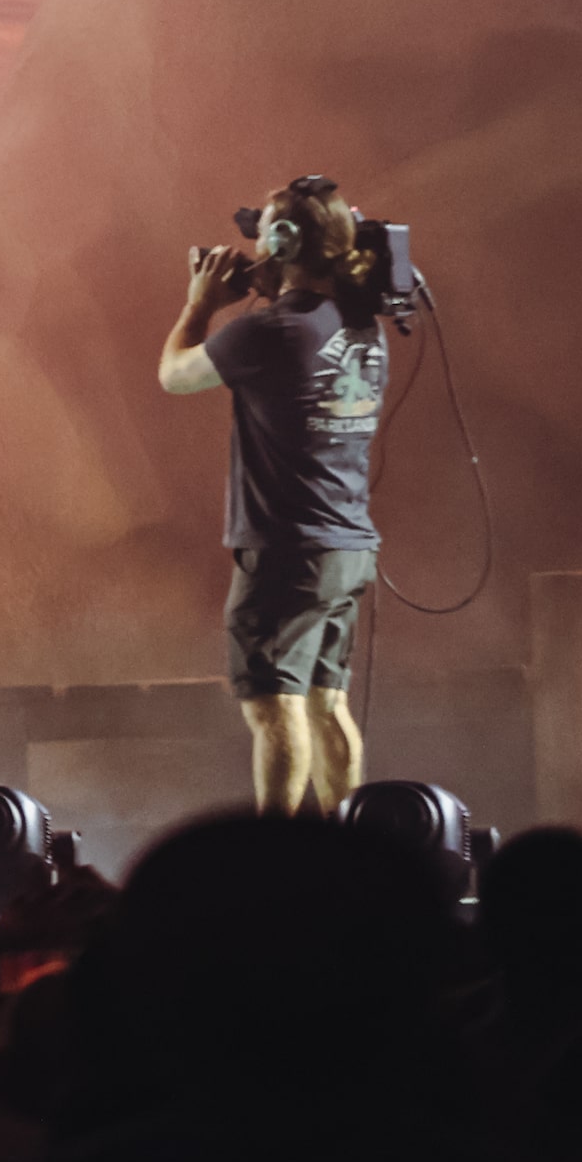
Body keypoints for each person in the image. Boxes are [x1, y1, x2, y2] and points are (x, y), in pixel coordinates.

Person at [157, 174, 388, 814]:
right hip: (345, 545)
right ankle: (353, 853)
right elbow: (310, 327)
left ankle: (278, 866)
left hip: (287, 551)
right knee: (325, 703)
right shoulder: (363, 326)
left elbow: (174, 374)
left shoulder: (266, 334)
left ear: (282, 242)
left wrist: (201, 303)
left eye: (263, 234)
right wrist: (272, 289)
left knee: (274, 709)